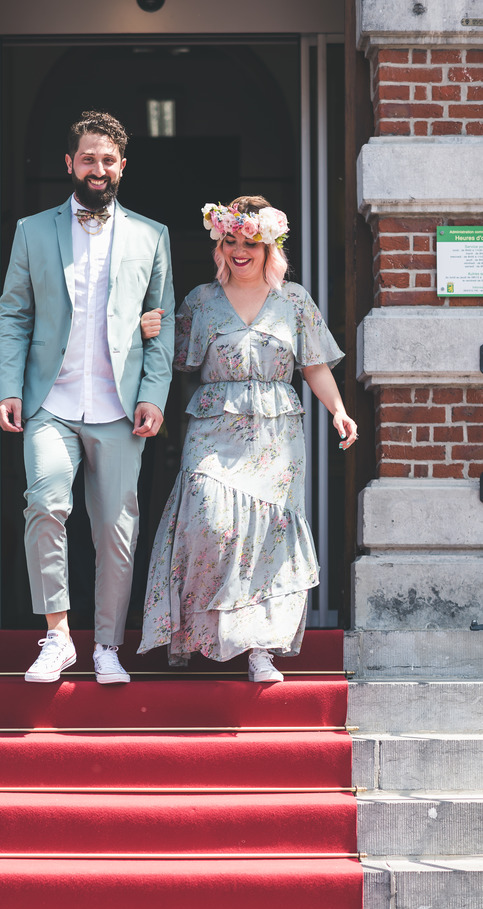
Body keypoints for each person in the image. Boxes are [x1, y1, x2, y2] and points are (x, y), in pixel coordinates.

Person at [137, 196, 357, 682]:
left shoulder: (294, 300)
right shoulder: (200, 300)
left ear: (269, 248)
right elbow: (168, 356)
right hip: (213, 426)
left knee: (267, 535)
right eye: (230, 241)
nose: (240, 251)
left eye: (250, 243)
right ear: (219, 246)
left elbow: (314, 365)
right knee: (209, 521)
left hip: (277, 432)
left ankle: (259, 648)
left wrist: (339, 411)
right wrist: (147, 330)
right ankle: (200, 633)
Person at [0, 111, 174, 685]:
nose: (98, 168)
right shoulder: (32, 230)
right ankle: (57, 637)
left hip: (119, 409)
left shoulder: (152, 235)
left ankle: (107, 647)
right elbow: (13, 315)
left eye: (108, 159)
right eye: (88, 158)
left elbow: (162, 324)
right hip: (50, 401)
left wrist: (154, 395)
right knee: (45, 505)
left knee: (117, 532)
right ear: (70, 163)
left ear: (122, 166)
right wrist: (8, 388)